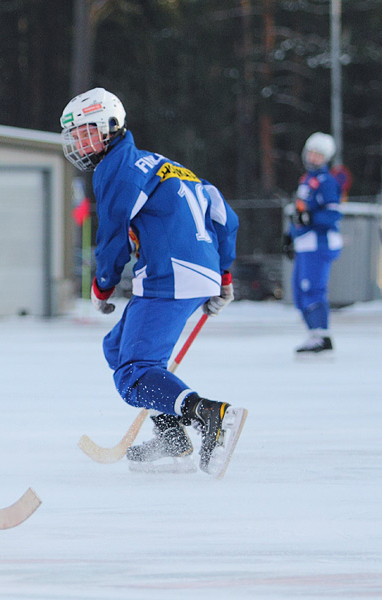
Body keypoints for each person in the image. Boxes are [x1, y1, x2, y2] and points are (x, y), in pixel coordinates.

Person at [59, 87, 246, 475]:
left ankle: (210, 415)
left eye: (87, 132)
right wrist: (223, 275)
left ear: (111, 127)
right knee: (117, 349)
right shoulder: (163, 163)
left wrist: (103, 284)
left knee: (133, 374)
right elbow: (226, 217)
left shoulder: (118, 167)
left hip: (169, 275)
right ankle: (173, 437)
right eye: (75, 135)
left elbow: (111, 235)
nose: (80, 142)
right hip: (196, 272)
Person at [286, 132, 343, 354]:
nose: (314, 157)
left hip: (319, 243)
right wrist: (290, 236)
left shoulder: (327, 182)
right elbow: (300, 213)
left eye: (319, 154)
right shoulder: (306, 180)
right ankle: (313, 334)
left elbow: (332, 215)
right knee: (299, 292)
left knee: (313, 289)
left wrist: (310, 219)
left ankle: (322, 335)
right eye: (311, 152)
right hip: (305, 243)